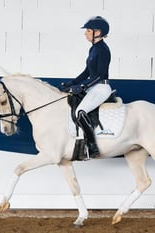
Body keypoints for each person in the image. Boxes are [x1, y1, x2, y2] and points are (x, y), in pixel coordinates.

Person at [61, 16, 112, 158]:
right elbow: (87, 72)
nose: (85, 33)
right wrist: (73, 83)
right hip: (93, 86)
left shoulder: (103, 50)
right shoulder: (94, 49)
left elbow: (100, 75)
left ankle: (92, 146)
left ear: (98, 32)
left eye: (88, 30)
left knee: (81, 111)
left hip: (101, 87)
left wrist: (83, 86)